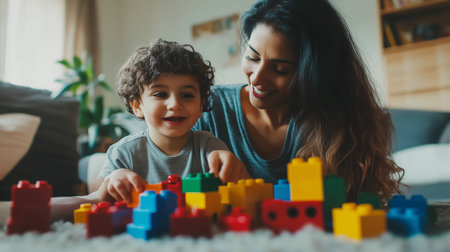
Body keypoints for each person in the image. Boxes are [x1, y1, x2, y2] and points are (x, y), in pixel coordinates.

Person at [193, 0, 404, 205]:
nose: (257, 78)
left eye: (280, 69)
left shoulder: (337, 124)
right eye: (252, 57)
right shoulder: (206, 108)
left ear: (316, 73)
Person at [91, 39, 249, 203]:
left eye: (187, 95)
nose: (174, 104)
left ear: (201, 105)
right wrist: (113, 179)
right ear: (138, 106)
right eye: (160, 94)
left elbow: (233, 184)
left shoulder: (209, 146)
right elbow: (94, 194)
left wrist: (230, 166)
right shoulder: (124, 153)